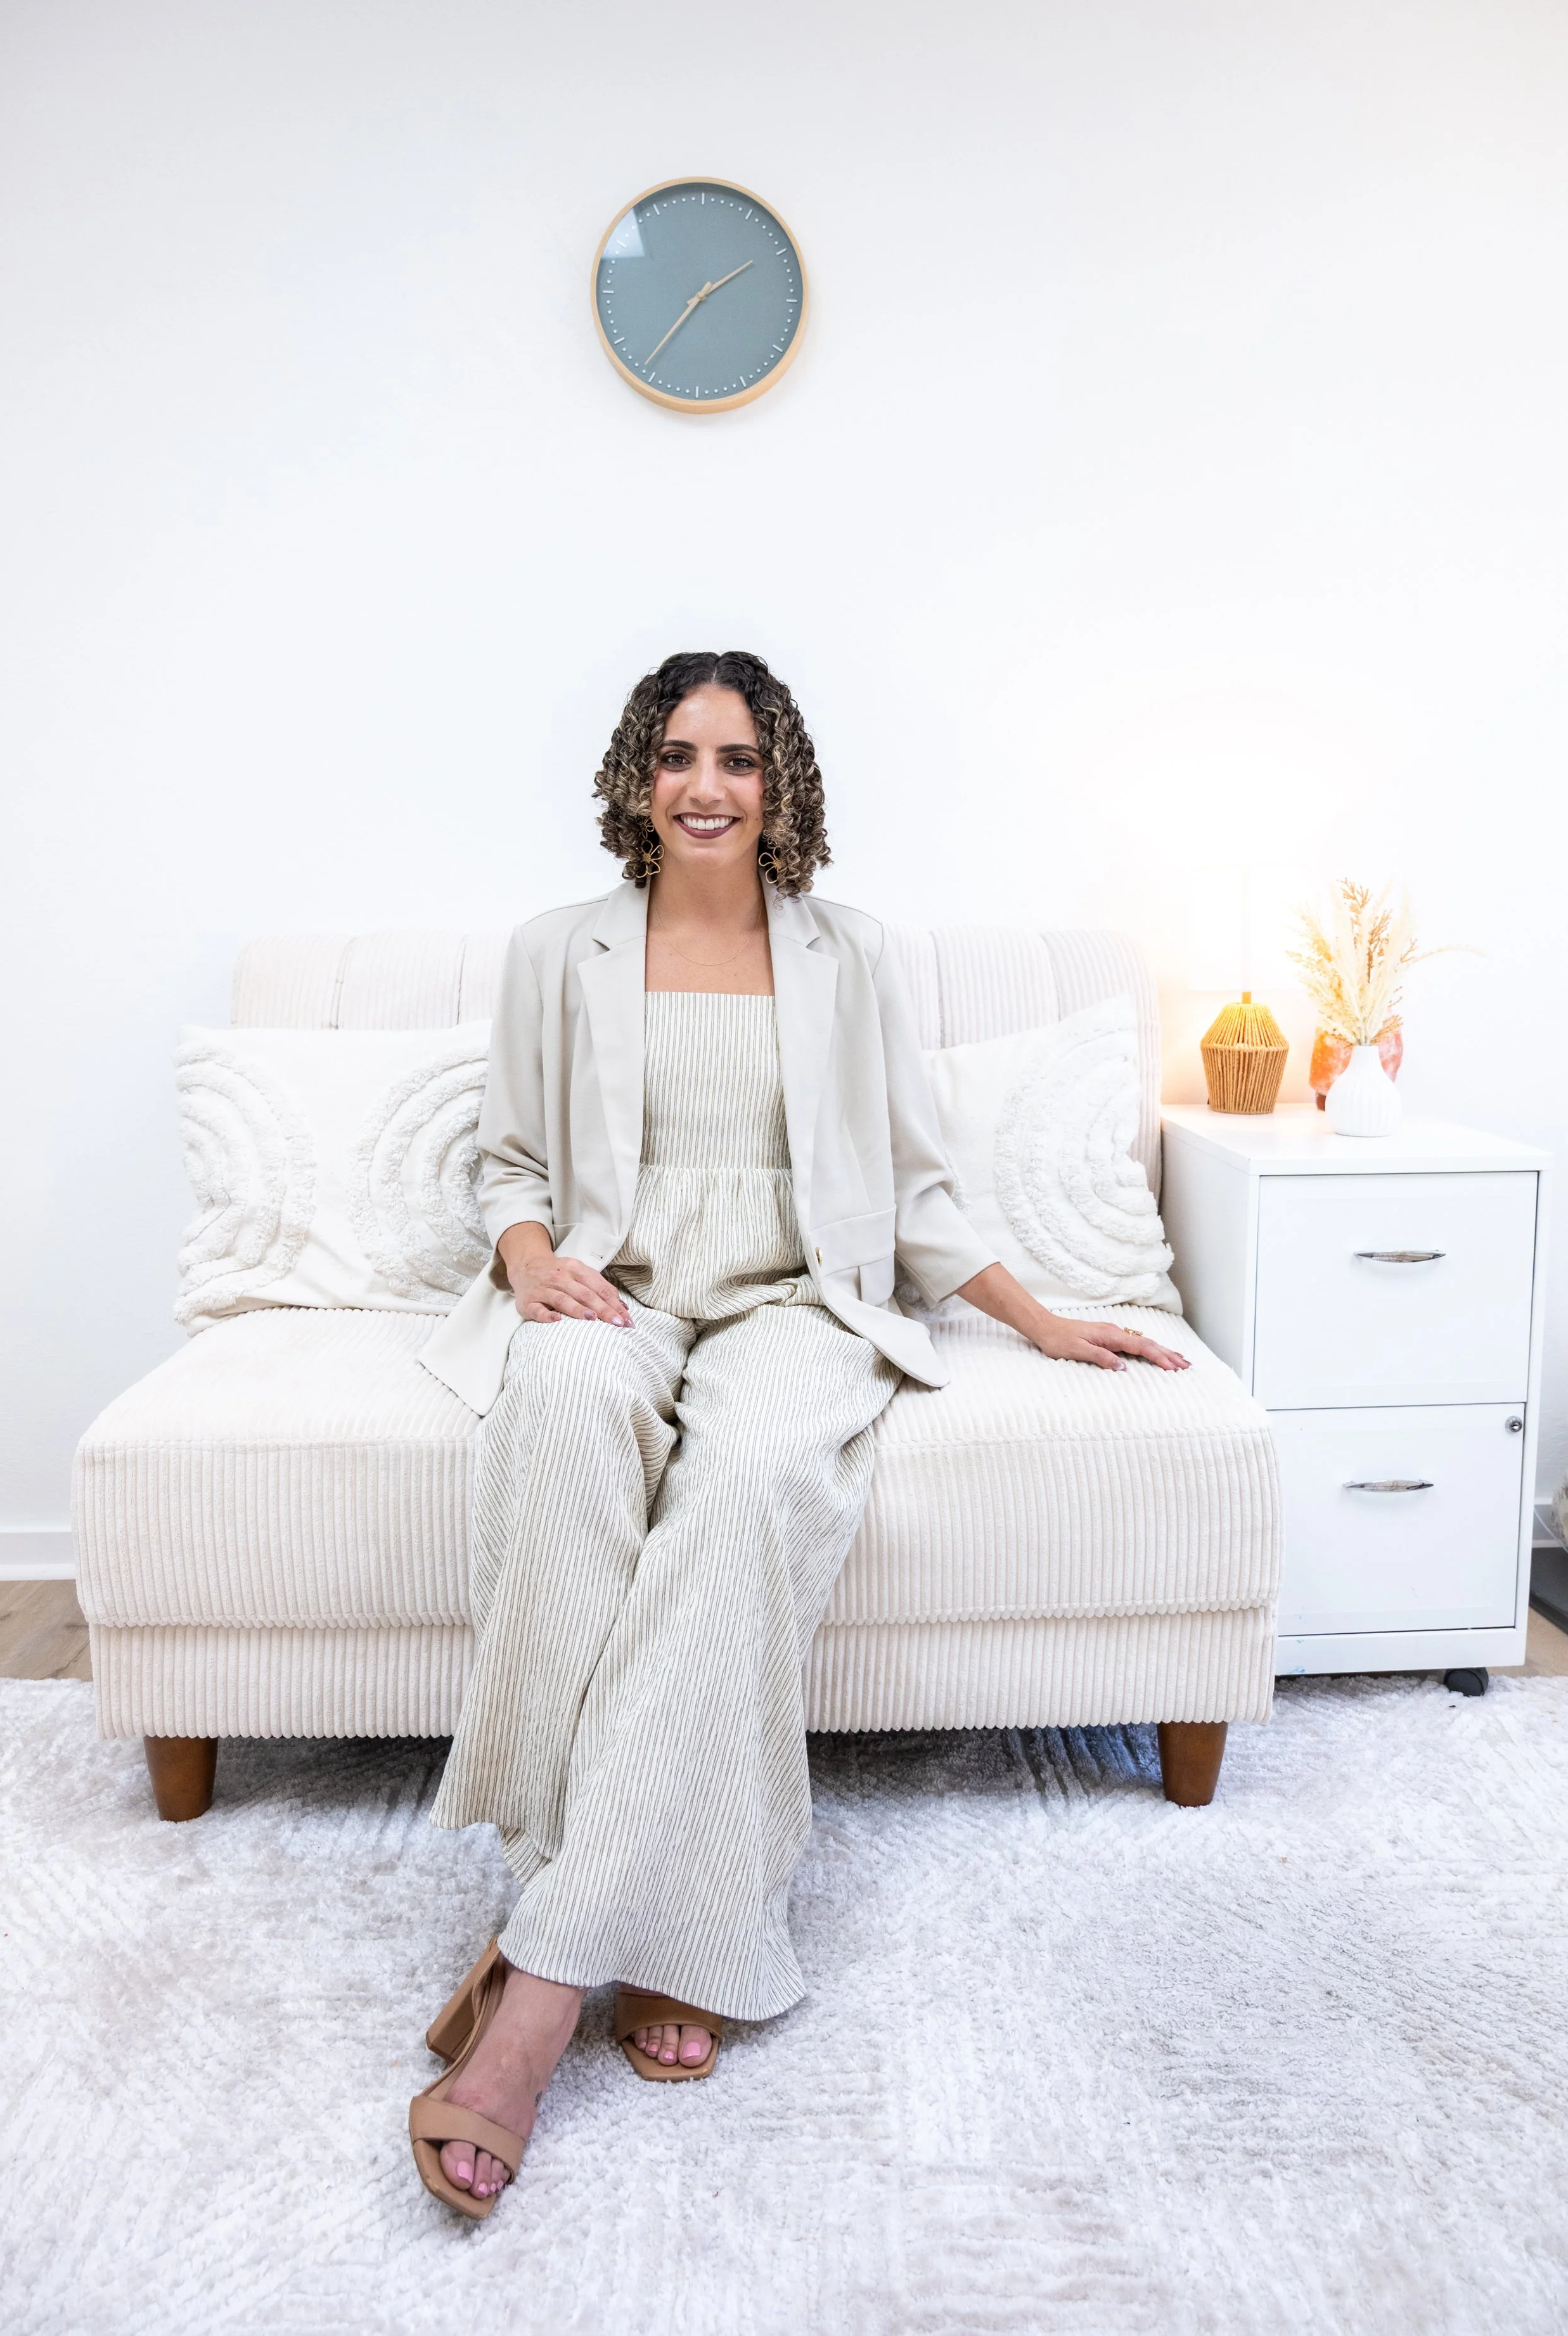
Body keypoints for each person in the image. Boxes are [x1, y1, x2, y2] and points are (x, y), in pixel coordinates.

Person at [406, 650, 1188, 2216]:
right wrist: (532, 1260)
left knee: (749, 1486)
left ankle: (547, 1974)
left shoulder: (849, 954)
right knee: (559, 1426)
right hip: (610, 1292)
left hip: (795, 1306)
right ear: (639, 776)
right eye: (681, 755)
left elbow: (904, 1186)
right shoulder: (558, 950)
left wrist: (1036, 1317)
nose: (709, 785)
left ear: (782, 786)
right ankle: (658, 1926)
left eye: (741, 759)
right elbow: (502, 1158)